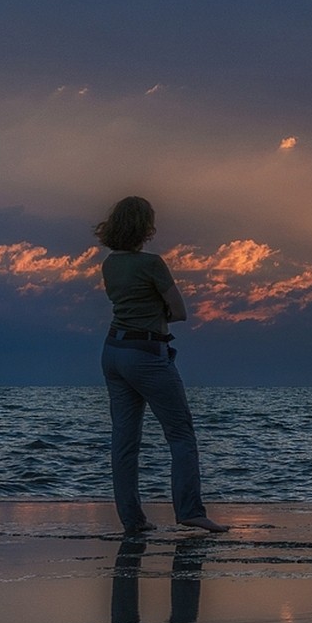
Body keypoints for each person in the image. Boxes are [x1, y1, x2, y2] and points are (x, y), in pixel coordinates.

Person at [95, 195, 228, 534]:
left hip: (113, 350)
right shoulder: (152, 264)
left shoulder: (110, 264)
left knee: (124, 440)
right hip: (147, 354)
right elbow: (180, 312)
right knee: (180, 433)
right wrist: (158, 313)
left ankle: (132, 520)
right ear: (145, 227)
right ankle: (190, 511)